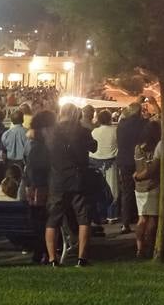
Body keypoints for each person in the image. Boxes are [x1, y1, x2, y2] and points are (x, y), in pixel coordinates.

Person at [46, 102, 96, 267]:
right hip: (78, 178)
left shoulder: (51, 132)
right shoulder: (82, 131)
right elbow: (93, 147)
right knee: (83, 218)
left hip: (58, 179)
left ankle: (53, 258)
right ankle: (82, 258)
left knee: (53, 220)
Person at [23, 110, 56, 264]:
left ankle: (40, 250)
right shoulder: (41, 144)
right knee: (42, 220)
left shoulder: (31, 142)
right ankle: (41, 250)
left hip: (33, 186)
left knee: (38, 220)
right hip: (41, 186)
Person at [116, 99, 149, 235]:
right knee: (141, 190)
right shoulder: (142, 124)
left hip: (123, 160)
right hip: (138, 160)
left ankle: (125, 222)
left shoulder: (121, 124)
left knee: (126, 192)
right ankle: (141, 218)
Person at [132, 126, 163, 259]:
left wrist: (136, 177)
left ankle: (139, 248)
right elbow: (151, 169)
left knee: (142, 218)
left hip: (139, 187)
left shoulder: (138, 148)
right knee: (152, 220)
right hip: (152, 185)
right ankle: (150, 247)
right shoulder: (156, 148)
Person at [90, 109, 119, 225]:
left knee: (98, 190)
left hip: (95, 162)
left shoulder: (94, 132)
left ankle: (100, 215)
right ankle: (111, 215)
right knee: (113, 190)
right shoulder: (115, 131)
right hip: (110, 163)